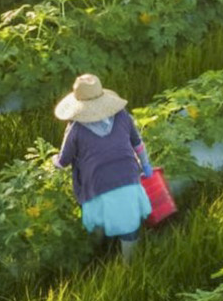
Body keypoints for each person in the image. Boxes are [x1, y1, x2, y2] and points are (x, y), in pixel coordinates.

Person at [53, 73, 155, 261]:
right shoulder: (123, 116)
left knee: (103, 216)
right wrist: (146, 165)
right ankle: (130, 262)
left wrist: (54, 161)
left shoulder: (75, 128)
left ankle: (101, 248)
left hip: (96, 184)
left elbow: (64, 161)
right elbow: (138, 144)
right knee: (129, 222)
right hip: (128, 179)